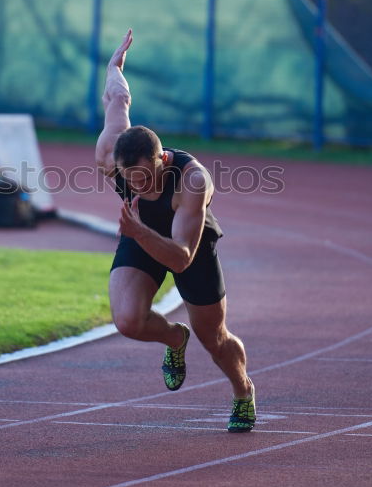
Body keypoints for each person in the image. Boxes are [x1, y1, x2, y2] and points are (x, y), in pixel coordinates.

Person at [94, 28, 256, 433]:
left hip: (190, 245)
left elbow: (182, 256)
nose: (140, 187)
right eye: (132, 182)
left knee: (215, 339)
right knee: (128, 320)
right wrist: (114, 66)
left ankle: (243, 391)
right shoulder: (109, 153)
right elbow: (118, 98)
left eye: (147, 179)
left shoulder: (192, 181)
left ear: (162, 160)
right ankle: (173, 340)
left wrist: (139, 231)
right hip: (141, 233)